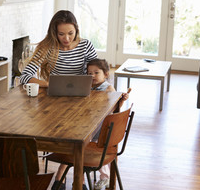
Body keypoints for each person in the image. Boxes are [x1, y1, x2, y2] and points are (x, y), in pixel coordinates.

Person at [19, 10, 97, 190]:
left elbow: (98, 70)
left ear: (76, 29)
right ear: (54, 32)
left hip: (82, 101)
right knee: (67, 135)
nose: (66, 39)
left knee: (83, 134)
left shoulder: (85, 45)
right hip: (55, 103)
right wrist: (48, 84)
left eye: (70, 33)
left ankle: (63, 178)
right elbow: (25, 76)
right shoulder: (48, 47)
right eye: (61, 34)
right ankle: (77, 181)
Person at [87, 58, 130, 190]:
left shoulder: (108, 88)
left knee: (101, 150)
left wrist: (121, 100)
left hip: (103, 127)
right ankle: (103, 177)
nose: (92, 76)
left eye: (96, 73)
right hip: (92, 123)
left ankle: (104, 178)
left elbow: (115, 108)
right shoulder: (87, 86)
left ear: (106, 74)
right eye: (89, 73)